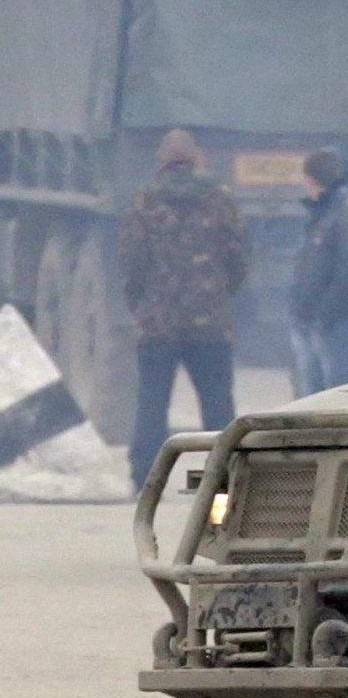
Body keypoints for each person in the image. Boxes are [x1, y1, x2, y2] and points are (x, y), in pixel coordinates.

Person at [119, 129, 247, 488]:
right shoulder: (221, 198)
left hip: (158, 322)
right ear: (197, 158)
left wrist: (140, 304)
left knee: (152, 403)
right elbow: (238, 257)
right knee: (218, 404)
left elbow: (131, 261)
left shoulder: (144, 200)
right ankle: (222, 477)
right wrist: (221, 294)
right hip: (211, 322)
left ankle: (144, 476)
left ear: (161, 160)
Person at [289, 149, 348, 397]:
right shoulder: (322, 212)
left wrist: (326, 313)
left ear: (310, 178)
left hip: (338, 323)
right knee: (310, 399)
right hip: (312, 319)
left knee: (338, 398)